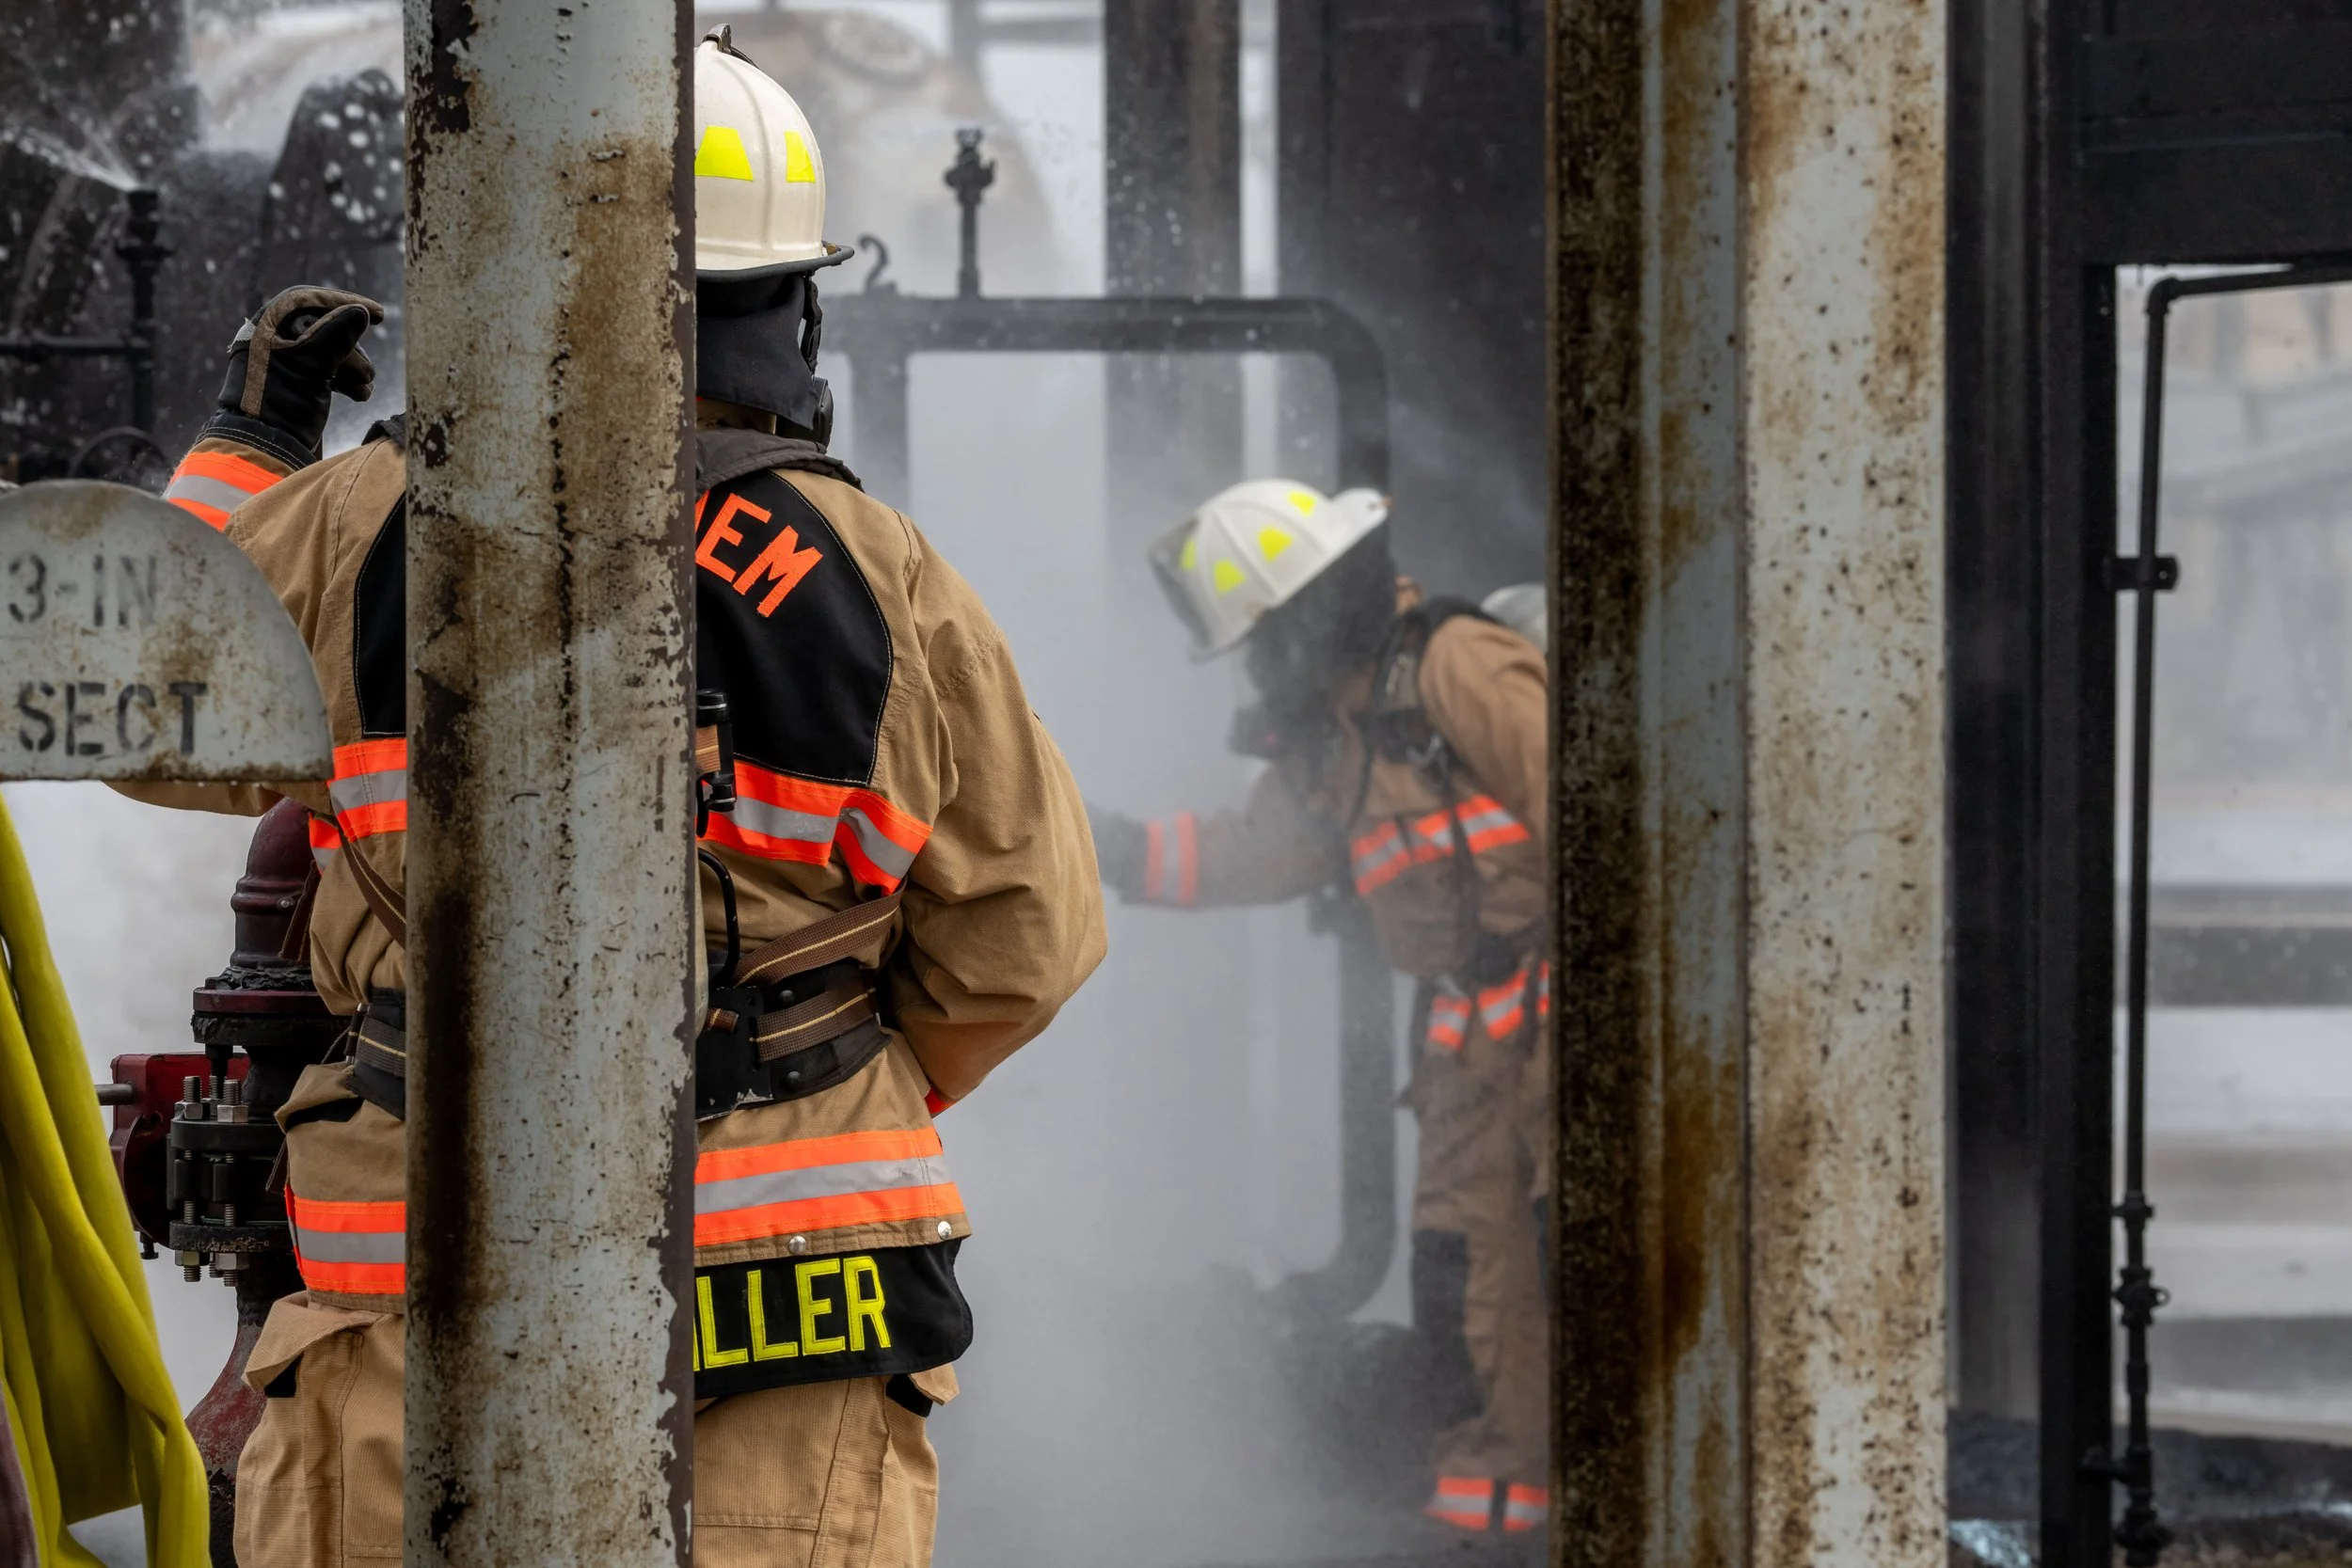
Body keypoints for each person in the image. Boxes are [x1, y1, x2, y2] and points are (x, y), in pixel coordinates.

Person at [137, 30, 1104, 1567]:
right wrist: (807, 1075)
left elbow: (144, 704)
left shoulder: (371, 517)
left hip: (414, 1330)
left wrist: (250, 445)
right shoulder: (882, 576)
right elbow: (1024, 944)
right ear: (786, 304)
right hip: (799, 1340)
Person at [1089, 479, 1549, 1534]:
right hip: (1470, 1048)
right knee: (1461, 1304)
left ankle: (1532, 1524)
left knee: (1548, 1285)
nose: (1259, 671)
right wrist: (1099, 841)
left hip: (1556, 1020)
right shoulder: (1341, 738)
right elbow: (1256, 849)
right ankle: (1492, 1530)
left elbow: (1606, 804)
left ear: (1308, 611)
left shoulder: (1452, 666)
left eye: (1262, 641)